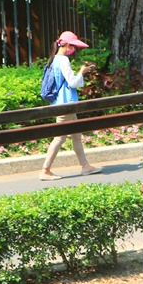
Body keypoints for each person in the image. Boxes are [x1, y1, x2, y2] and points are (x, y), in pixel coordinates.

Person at [39, 31, 102, 181]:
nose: (73, 49)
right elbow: (73, 82)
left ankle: (85, 166)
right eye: (72, 46)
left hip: (64, 104)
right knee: (60, 137)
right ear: (67, 45)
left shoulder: (54, 59)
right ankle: (45, 170)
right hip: (66, 104)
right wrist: (82, 72)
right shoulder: (63, 60)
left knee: (76, 135)